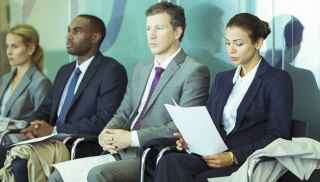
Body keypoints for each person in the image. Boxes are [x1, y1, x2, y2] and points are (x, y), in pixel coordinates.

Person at [48, 2, 210, 182]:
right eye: (148, 29)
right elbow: (124, 112)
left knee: (98, 175)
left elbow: (182, 128)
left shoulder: (194, 71)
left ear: (177, 32)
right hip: (119, 150)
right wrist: (106, 132)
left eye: (159, 28)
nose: (152, 35)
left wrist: (132, 138)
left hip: (152, 156)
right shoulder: (141, 68)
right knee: (58, 176)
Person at [153, 13, 293, 182]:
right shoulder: (223, 79)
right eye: (228, 43)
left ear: (258, 43)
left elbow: (279, 135)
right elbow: (210, 122)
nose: (231, 50)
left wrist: (233, 156)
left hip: (246, 159)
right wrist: (192, 140)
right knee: (170, 162)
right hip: (215, 154)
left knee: (200, 178)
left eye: (238, 44)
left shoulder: (276, 79)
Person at [3, 14, 128, 182]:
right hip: (50, 142)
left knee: (20, 163)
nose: (69, 36)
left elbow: (103, 121)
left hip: (80, 144)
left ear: (95, 37)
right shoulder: (65, 71)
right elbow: (45, 108)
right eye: (68, 31)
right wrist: (35, 124)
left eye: (76, 31)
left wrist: (55, 130)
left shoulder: (111, 70)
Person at [0, 24, 52, 166]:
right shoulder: (5, 79)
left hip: (17, 144)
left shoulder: (40, 82)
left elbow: (40, 123)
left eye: (14, 47)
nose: (9, 52)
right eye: (7, 46)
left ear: (30, 48)